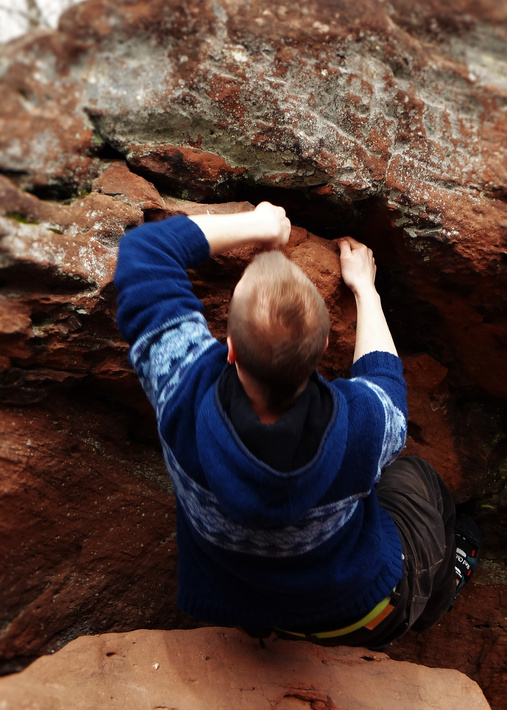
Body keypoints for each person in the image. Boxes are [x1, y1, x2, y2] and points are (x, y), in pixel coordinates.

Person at [115, 201, 480, 649]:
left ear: (229, 348)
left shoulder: (181, 388)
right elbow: (386, 386)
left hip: (238, 600)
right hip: (353, 610)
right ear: (325, 347)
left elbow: (143, 253)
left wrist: (259, 226)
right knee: (416, 478)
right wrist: (365, 290)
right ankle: (437, 593)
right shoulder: (358, 426)